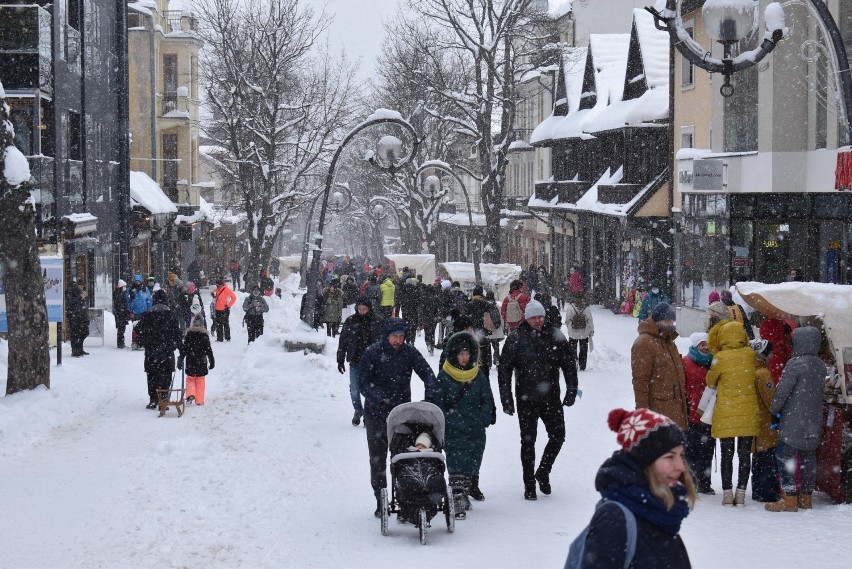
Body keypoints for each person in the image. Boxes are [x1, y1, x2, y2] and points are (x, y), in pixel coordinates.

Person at [572, 408, 695, 569]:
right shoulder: (615, 520)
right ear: (644, 461)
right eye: (669, 457)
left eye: (681, 456)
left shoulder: (660, 510)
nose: (681, 467)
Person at [498, 300, 578, 500]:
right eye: (534, 317)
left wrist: (572, 389)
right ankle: (529, 483)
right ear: (526, 318)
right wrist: (506, 398)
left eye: (540, 316)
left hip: (551, 397)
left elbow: (569, 364)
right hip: (526, 398)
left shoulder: (555, 335)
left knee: (558, 436)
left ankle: (543, 471)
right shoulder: (516, 338)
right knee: (528, 442)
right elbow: (504, 370)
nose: (538, 320)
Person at [358, 317, 438, 517]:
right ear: (386, 336)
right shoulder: (373, 353)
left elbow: (427, 374)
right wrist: (380, 400)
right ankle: (381, 499)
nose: (398, 340)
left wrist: (429, 396)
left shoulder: (409, 352)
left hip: (401, 415)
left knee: (401, 458)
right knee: (377, 460)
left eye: (401, 336)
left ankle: (404, 498)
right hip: (376, 415)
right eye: (394, 336)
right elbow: (363, 384)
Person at [434, 332, 496, 518]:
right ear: (454, 354)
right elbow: (439, 402)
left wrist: (484, 418)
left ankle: (464, 492)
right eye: (461, 354)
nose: (464, 357)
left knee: (472, 461)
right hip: (454, 427)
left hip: (475, 427)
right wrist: (447, 419)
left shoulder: (477, 375)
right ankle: (457, 496)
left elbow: (487, 398)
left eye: (467, 354)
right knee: (455, 461)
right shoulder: (444, 376)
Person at [766, 326, 827, 512]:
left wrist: (774, 408)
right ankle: (806, 498)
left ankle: (789, 498)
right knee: (809, 459)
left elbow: (782, 392)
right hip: (813, 421)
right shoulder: (820, 365)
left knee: (785, 458)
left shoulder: (796, 364)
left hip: (794, 420)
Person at [705, 320, 759, 506]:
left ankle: (727, 495)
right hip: (747, 411)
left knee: (726, 454)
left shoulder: (720, 357)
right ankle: (741, 494)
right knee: (744, 455)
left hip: (726, 411)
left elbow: (710, 382)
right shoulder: (750, 355)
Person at [631, 302, 688, 430]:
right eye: (667, 321)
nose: (670, 324)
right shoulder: (644, 343)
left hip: (674, 410)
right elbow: (640, 381)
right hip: (658, 411)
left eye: (672, 321)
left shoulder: (668, 341)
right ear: (657, 320)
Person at [337, 296, 383, 426]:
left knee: (370, 389)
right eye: (360, 308)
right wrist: (340, 358)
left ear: (369, 308)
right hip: (355, 360)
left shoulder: (377, 321)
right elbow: (343, 341)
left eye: (364, 309)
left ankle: (368, 413)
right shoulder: (351, 321)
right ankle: (358, 410)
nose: (362, 311)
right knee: (354, 389)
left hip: (372, 362)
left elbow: (383, 342)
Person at [136, 290, 182, 409]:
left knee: (152, 375)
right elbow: (177, 334)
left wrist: (143, 341)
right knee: (166, 375)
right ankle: (164, 399)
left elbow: (138, 330)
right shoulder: (171, 315)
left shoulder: (147, 315)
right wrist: (181, 350)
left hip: (151, 351)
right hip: (167, 351)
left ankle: (153, 399)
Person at [682, 332, 715, 494]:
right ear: (695, 346)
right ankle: (690, 483)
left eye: (707, 344)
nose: (705, 347)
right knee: (691, 451)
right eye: (702, 344)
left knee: (707, 451)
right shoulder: (685, 363)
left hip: (709, 415)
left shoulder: (714, 363)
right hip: (692, 415)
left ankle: (704, 483)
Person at [750, 339, 780, 503]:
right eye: (771, 352)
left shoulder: (750, 370)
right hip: (765, 423)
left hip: (755, 422)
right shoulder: (763, 374)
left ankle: (758, 491)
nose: (772, 355)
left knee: (759, 459)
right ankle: (768, 493)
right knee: (768, 458)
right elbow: (771, 402)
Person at [178, 316, 215, 405]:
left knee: (190, 378)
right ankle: (199, 400)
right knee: (200, 380)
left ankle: (190, 394)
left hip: (190, 360)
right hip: (201, 361)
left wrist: (180, 360)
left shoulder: (189, 335)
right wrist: (212, 361)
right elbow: (208, 350)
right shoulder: (204, 336)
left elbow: (184, 350)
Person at [565, 290, 594, 371]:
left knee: (572, 348)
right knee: (583, 349)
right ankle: (582, 365)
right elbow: (590, 320)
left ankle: (574, 361)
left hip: (573, 332)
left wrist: (570, 328)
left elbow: (567, 320)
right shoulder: (586, 308)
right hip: (584, 332)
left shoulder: (571, 307)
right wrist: (591, 330)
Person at [66, 279, 90, 357]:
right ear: (78, 285)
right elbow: (71, 303)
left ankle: (79, 348)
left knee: (84, 332)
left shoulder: (79, 292)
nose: (83, 288)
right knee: (75, 333)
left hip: (81, 315)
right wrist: (81, 297)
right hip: (74, 315)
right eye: (82, 286)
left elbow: (82, 305)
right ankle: (75, 350)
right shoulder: (71, 291)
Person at [212, 277, 237, 342]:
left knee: (225, 324)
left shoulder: (226, 289)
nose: (217, 286)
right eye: (216, 285)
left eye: (218, 285)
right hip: (217, 309)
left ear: (221, 284)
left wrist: (229, 305)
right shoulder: (217, 289)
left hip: (225, 309)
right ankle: (219, 338)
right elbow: (215, 297)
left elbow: (234, 297)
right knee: (218, 324)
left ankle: (227, 337)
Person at [484, 291, 504, 364]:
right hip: (496, 328)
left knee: (488, 346)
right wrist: (501, 327)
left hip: (487, 328)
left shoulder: (484, 305)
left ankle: (488, 362)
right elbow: (501, 317)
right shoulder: (497, 306)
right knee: (496, 345)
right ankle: (497, 359)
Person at [113, 279, 129, 349]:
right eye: (124, 286)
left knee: (122, 329)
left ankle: (121, 343)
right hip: (120, 314)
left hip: (121, 314)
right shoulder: (118, 294)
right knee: (121, 329)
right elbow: (119, 304)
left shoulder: (120, 293)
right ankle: (120, 343)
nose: (125, 288)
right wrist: (123, 309)